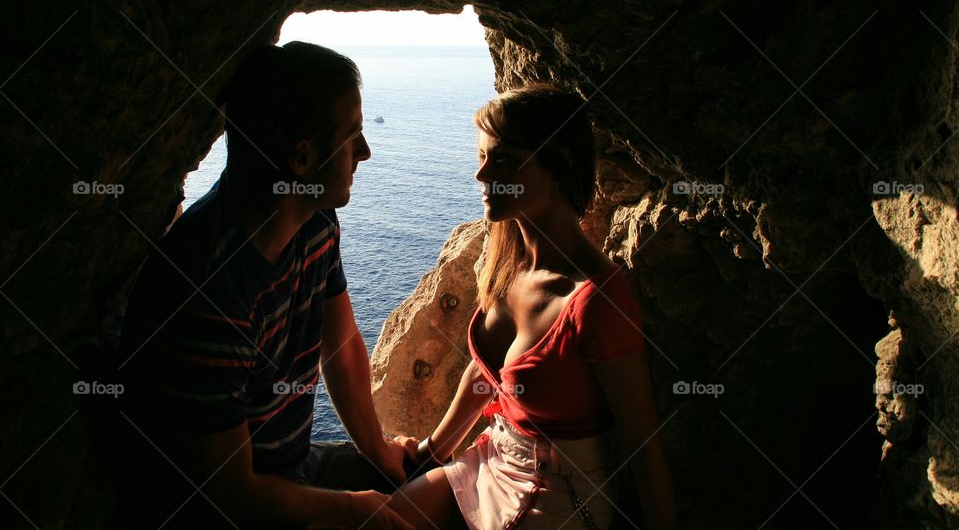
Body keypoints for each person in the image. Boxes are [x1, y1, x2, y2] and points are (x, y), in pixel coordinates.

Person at [117, 41, 413, 530]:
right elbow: (232, 495)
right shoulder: (210, 289)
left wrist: (381, 457)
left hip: (290, 470)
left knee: (421, 481)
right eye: (352, 136)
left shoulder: (316, 223)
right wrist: (358, 509)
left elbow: (338, 345)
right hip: (221, 511)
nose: (365, 151)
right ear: (302, 157)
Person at [386, 85, 676, 529]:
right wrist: (433, 451)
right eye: (481, 158)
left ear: (558, 164)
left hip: (560, 494)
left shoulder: (595, 300)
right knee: (372, 520)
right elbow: (490, 373)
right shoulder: (508, 261)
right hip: (492, 459)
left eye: (502, 159)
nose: (483, 176)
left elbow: (642, 442)